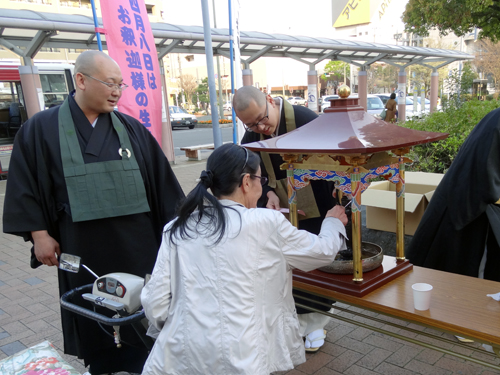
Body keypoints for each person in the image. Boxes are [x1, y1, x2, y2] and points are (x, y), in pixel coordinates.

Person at [3, 51, 185, 374]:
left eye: (121, 84)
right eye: (110, 83)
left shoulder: (132, 129)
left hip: (137, 247)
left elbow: (163, 187)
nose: (117, 91)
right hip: (82, 247)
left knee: (143, 316)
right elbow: (25, 184)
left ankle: (148, 365)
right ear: (81, 81)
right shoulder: (41, 129)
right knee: (92, 315)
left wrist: (180, 236)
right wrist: (39, 234)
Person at [141, 143, 348, 374]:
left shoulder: (177, 227)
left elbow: (155, 301)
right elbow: (321, 251)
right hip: (242, 354)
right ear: (247, 181)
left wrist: (176, 326)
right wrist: (333, 222)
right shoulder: (266, 223)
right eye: (261, 179)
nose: (261, 186)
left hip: (180, 352)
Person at [233, 85, 337, 352]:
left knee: (316, 263)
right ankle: (295, 323)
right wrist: (267, 192)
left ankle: (316, 324)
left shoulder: (305, 120)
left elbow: (336, 160)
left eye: (262, 119)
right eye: (251, 124)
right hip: (284, 210)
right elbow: (253, 171)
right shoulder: (252, 134)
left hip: (319, 202)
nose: (260, 128)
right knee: (288, 267)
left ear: (270, 100)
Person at [407, 107, 500, 282]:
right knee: (458, 280)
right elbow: (485, 171)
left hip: (471, 201)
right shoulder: (497, 121)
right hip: (471, 209)